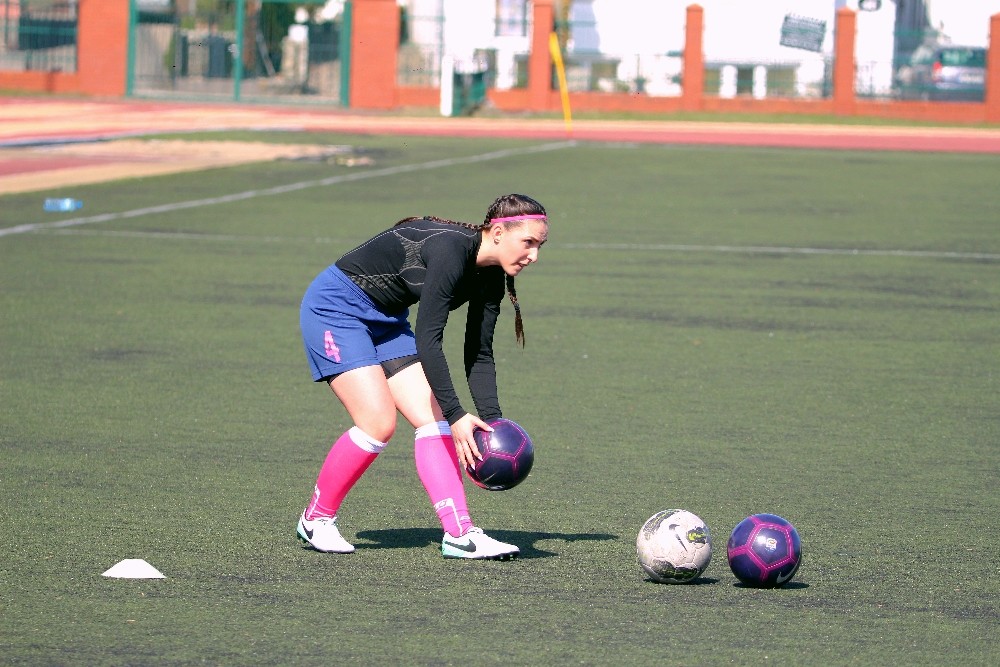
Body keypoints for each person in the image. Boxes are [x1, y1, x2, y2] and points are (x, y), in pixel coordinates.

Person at [296, 193, 548, 560]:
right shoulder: (451, 252)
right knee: (378, 423)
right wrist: (459, 414)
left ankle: (459, 534)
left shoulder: (492, 276)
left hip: (386, 320)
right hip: (336, 309)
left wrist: (492, 424)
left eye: (539, 246)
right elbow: (429, 339)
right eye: (528, 242)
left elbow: (478, 353)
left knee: (436, 421)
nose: (533, 255)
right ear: (497, 233)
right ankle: (316, 519)